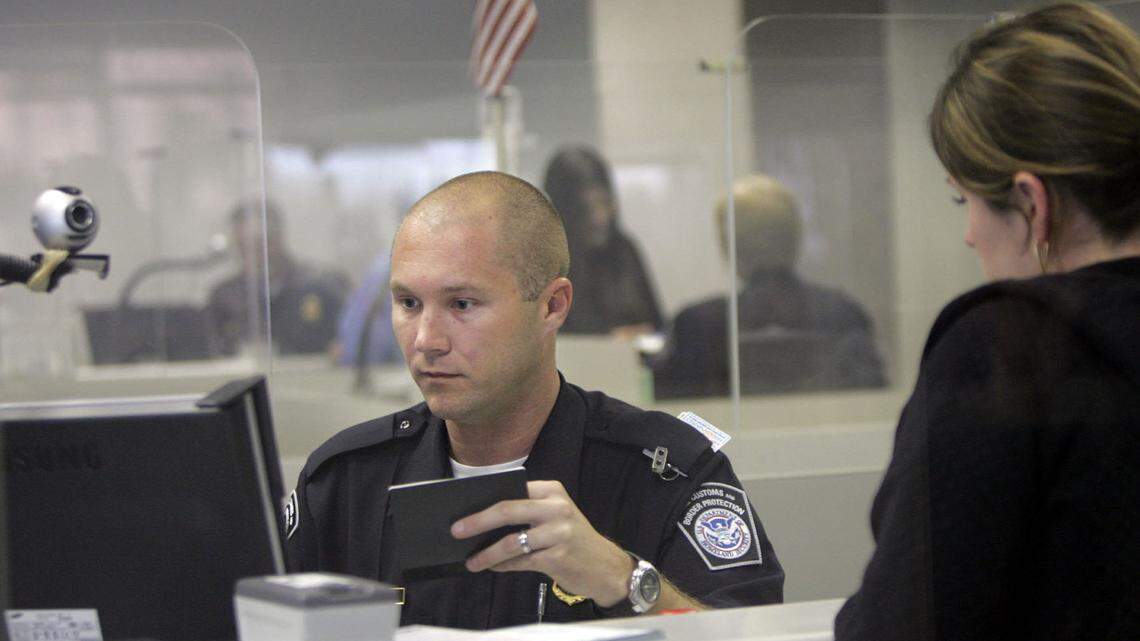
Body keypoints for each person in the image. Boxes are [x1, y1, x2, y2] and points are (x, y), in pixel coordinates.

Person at [284, 171, 784, 629]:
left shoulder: (663, 473)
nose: (426, 340)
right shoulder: (346, 483)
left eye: (462, 304)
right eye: (408, 303)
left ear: (552, 306)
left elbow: (753, 632)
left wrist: (625, 580)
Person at [835, 4, 1140, 640]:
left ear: (1033, 202)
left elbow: (909, 621)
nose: (970, 234)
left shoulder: (1006, 347)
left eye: (964, 199)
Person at [653, 174, 885, 398]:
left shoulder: (696, 325)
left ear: (729, 246)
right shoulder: (843, 313)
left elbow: (683, 421)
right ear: (795, 239)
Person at [542, 147, 664, 336]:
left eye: (603, 203)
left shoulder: (624, 249)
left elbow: (658, 324)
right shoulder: (546, 259)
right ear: (567, 210)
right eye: (586, 208)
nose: (600, 218)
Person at [206, 200, 349, 356]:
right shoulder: (224, 297)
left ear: (279, 237)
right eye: (244, 246)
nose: (253, 253)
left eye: (261, 243)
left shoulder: (324, 284)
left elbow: (350, 340)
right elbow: (217, 354)